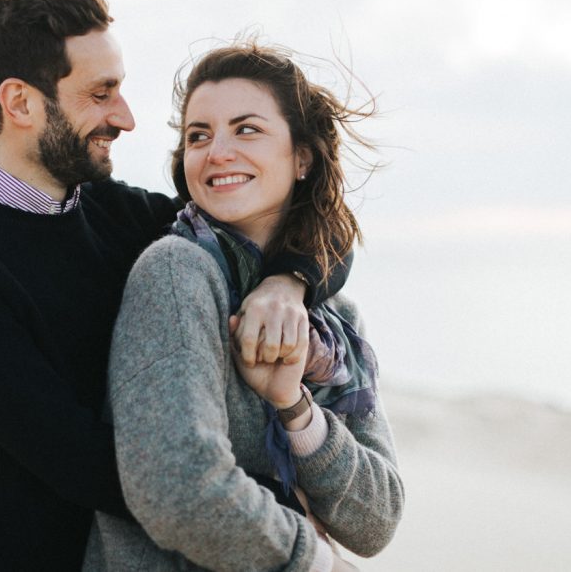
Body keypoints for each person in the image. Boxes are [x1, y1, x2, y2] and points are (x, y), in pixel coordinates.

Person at [0, 0, 352, 570]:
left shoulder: (118, 212)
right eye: (101, 93)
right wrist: (272, 516)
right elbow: (76, 457)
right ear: (20, 102)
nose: (127, 118)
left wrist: (286, 283)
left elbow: (311, 222)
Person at [85, 42, 404, 571]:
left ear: (302, 156)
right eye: (198, 136)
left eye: (247, 128)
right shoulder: (175, 272)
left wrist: (295, 408)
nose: (217, 152)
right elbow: (177, 487)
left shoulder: (335, 317)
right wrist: (317, 563)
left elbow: (376, 521)